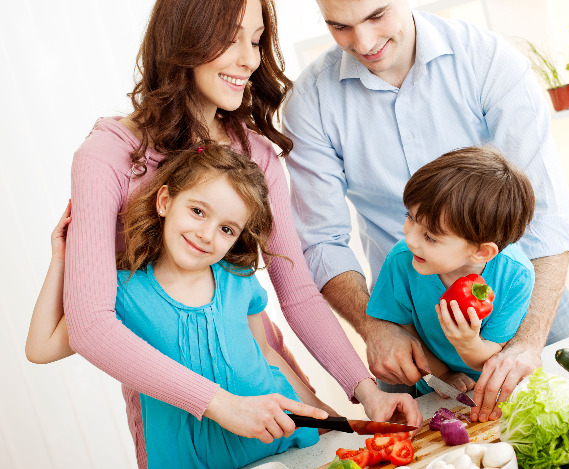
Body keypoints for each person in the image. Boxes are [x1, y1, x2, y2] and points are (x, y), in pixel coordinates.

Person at [60, 0, 420, 466]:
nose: (251, 59)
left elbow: (299, 295)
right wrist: (221, 405)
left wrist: (366, 391)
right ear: (183, 37)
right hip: (177, 415)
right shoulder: (108, 155)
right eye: (232, 39)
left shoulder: (258, 155)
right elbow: (90, 325)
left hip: (264, 382)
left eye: (255, 41)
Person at [282, 0, 569, 422]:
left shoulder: (486, 58)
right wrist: (376, 326)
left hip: (525, 292)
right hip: (403, 320)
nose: (364, 42)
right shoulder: (312, 100)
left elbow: (546, 216)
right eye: (340, 26)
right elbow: (321, 240)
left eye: (376, 16)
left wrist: (529, 340)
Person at [28, 145, 334, 467]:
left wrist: (327, 417)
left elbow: (266, 354)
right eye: (198, 211)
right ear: (164, 202)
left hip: (286, 447)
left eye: (226, 229)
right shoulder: (122, 291)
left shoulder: (238, 277)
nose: (206, 235)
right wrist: (61, 259)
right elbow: (40, 347)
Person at [366, 147, 535, 398]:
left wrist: (468, 343)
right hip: (430, 381)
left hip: (493, 388)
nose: (410, 239)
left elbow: (495, 355)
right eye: (410, 217)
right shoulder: (401, 260)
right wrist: (442, 376)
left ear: (481, 252)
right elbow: (405, 331)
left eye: (430, 237)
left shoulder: (515, 276)